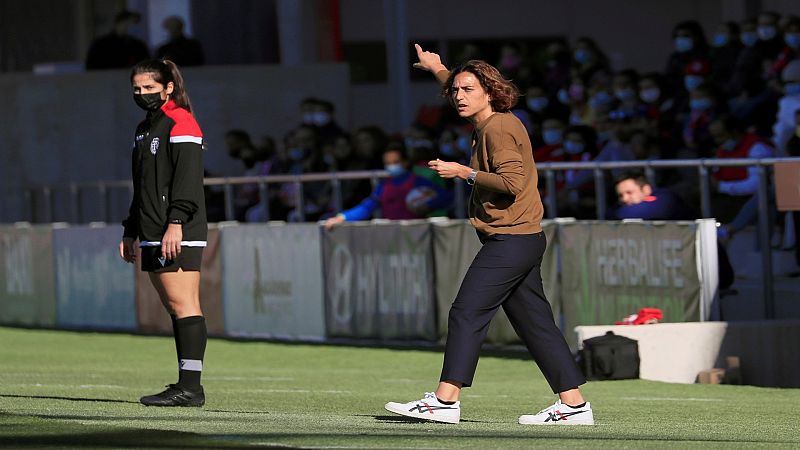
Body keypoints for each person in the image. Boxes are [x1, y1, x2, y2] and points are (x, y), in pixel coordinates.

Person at [382, 44, 593, 426]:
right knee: (535, 324)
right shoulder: (490, 120)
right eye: (455, 91)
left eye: (467, 91)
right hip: (519, 239)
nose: (458, 97)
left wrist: (465, 172)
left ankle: (445, 400)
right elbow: (461, 88)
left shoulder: (499, 128)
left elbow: (512, 183)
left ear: (490, 93)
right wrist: (439, 69)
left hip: (512, 240)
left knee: (467, 311)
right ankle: (574, 405)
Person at [119, 59, 207, 407]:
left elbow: (186, 180)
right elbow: (141, 186)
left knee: (184, 304)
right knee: (175, 305)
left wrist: (177, 223)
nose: (142, 95)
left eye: (150, 89)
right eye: (137, 90)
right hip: (153, 227)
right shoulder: (144, 129)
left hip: (176, 228)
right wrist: (131, 230)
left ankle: (190, 389)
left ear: (169, 87)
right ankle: (186, 385)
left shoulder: (181, 122)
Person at [610, 171, 735, 290]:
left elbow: (626, 213)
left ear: (646, 189)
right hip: (677, 275)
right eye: (621, 195)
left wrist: (615, 212)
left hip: (708, 272)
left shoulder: (665, 199)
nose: (624, 199)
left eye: (629, 192)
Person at [322, 144, 451, 228]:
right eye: (387, 163)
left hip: (417, 234)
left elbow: (445, 198)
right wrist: (342, 217)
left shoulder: (419, 182)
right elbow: (367, 207)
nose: (391, 166)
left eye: (395, 162)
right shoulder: (384, 186)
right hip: (392, 236)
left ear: (405, 162)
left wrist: (429, 204)